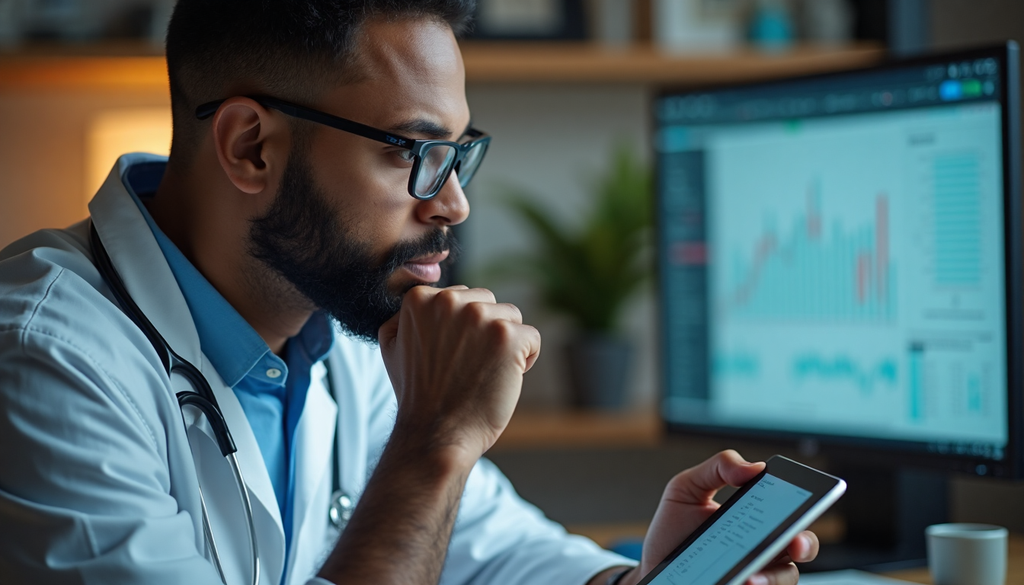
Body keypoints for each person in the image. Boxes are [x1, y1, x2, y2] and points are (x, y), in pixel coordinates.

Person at [0, 1, 819, 584]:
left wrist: (645, 580)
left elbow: (495, 551)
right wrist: (434, 442)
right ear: (251, 147)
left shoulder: (337, 329)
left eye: (459, 153)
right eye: (411, 151)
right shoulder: (45, 359)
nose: (453, 202)